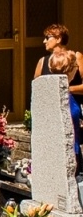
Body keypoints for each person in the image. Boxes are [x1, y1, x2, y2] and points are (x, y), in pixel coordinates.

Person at [34, 24, 83, 170]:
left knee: (71, 146)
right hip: (49, 113)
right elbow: (36, 89)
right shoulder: (42, 61)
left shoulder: (76, 57)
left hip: (70, 108)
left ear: (59, 38)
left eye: (47, 38)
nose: (44, 41)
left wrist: (64, 88)